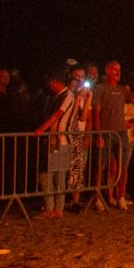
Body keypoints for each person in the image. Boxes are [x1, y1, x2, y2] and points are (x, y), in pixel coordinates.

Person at [35, 68, 92, 217]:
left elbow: (57, 115)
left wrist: (41, 129)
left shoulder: (66, 96)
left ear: (54, 82)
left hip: (59, 142)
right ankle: (57, 209)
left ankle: (52, 209)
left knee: (49, 175)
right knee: (57, 176)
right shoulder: (68, 96)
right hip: (62, 140)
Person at [91, 61, 132, 209]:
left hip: (120, 133)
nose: (117, 72)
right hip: (106, 132)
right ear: (107, 71)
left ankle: (120, 196)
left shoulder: (122, 90)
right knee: (100, 166)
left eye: (119, 70)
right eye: (114, 69)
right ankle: (98, 198)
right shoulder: (100, 88)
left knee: (123, 167)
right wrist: (98, 134)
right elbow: (95, 112)